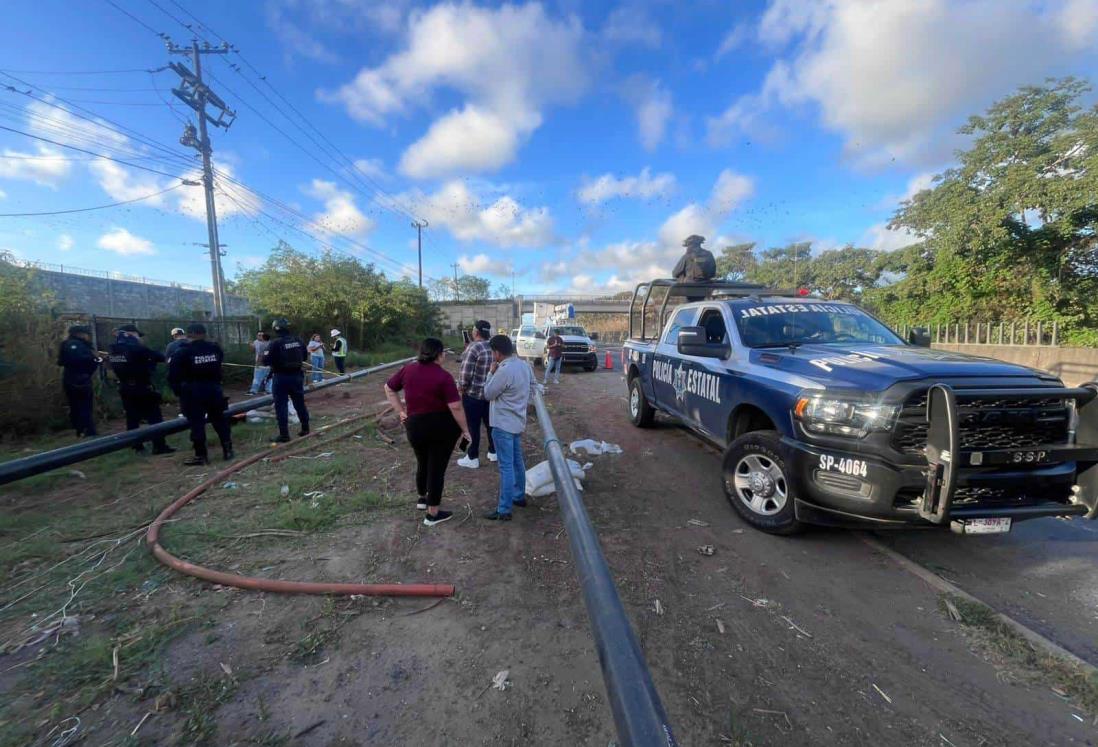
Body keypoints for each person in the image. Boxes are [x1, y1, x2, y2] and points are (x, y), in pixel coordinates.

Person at [384, 338, 472, 527]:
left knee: (422, 461)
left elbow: (389, 388)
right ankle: (433, 514)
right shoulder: (444, 377)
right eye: (443, 352)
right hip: (440, 427)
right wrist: (466, 430)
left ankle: (422, 498)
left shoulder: (408, 369)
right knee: (437, 468)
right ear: (438, 354)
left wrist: (401, 411)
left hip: (414, 426)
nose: (445, 355)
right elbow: (456, 407)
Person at [482, 334, 535, 522]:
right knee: (517, 462)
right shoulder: (524, 366)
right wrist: (521, 405)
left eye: (492, 352)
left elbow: (488, 393)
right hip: (517, 422)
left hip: (502, 423)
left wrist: (491, 372)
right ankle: (518, 496)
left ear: (497, 353)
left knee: (506, 466)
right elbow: (533, 388)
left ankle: (504, 509)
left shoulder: (503, 370)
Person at [168, 323, 234, 465]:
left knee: (196, 424)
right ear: (204, 334)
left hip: (193, 391)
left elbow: (173, 375)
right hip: (214, 388)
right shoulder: (214, 348)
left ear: (189, 334)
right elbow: (219, 363)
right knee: (219, 420)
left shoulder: (183, 351)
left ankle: (201, 456)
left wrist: (179, 392)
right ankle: (228, 450)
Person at [107, 324, 175, 455]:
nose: (140, 338)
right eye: (138, 335)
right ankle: (159, 446)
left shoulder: (113, 349)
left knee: (132, 418)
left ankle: (137, 446)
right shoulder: (137, 349)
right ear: (131, 334)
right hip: (142, 387)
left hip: (125, 387)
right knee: (155, 417)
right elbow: (159, 357)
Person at [457, 320, 497, 469]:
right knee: (490, 425)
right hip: (489, 395)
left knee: (472, 427)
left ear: (476, 331)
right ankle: (493, 452)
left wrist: (460, 388)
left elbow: (465, 374)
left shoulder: (474, 348)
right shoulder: (493, 347)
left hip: (473, 396)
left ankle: (472, 457)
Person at [264, 318, 310, 443]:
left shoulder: (275, 343)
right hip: (297, 376)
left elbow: (265, 360)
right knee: (299, 402)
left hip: (281, 377)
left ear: (276, 329)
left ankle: (284, 435)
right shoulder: (298, 340)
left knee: (281, 406)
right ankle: (305, 428)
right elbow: (305, 356)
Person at [57, 325, 101, 438]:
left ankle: (80, 429)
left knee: (76, 405)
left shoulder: (66, 344)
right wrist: (94, 358)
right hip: (80, 379)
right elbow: (79, 359)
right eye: (86, 334)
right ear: (80, 334)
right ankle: (88, 430)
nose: (88, 336)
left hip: (70, 378)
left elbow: (61, 361)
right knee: (85, 405)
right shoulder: (77, 345)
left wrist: (96, 359)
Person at [248, 331, 272, 395]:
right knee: (268, 378)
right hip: (267, 364)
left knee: (258, 378)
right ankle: (268, 390)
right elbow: (252, 351)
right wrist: (251, 346)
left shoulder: (265, 344)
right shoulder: (256, 342)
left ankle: (254, 391)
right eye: (259, 335)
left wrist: (258, 363)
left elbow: (261, 355)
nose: (260, 336)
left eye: (262, 335)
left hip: (262, 364)